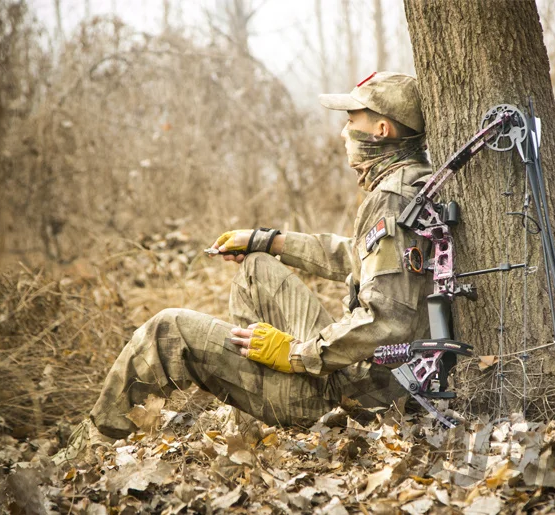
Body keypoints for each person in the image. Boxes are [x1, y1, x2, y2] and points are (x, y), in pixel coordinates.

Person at [54, 71, 434, 462]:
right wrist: (267, 241)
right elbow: (356, 257)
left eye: (352, 120)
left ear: (381, 130)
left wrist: (296, 354)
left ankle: (85, 450)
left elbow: (386, 321)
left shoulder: (391, 200)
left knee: (168, 330)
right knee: (256, 268)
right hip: (370, 378)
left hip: (356, 398)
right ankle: (250, 416)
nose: (343, 132)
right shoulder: (411, 183)